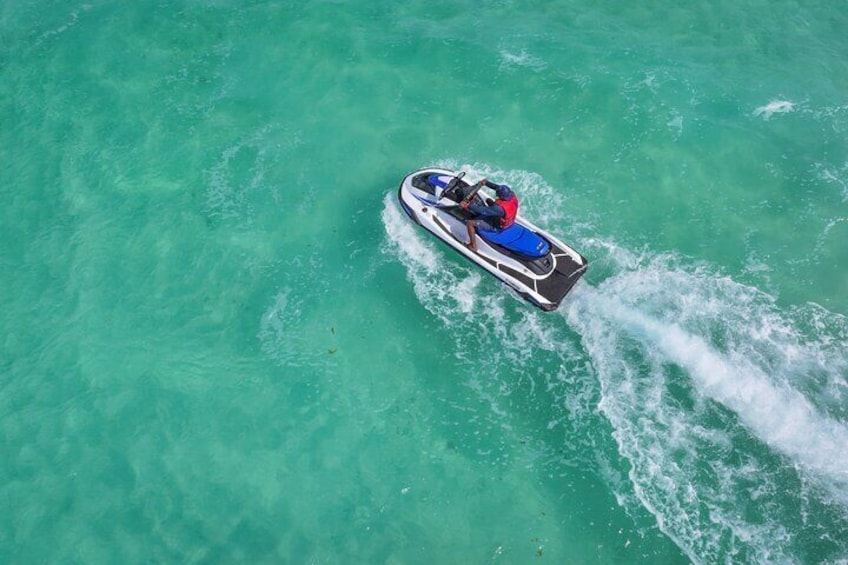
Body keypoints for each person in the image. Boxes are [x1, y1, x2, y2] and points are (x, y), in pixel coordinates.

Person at [460, 178, 519, 251]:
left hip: (497, 226)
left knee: (470, 223)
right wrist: (487, 183)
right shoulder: (511, 195)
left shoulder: (499, 208)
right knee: (488, 200)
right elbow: (497, 187)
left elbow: (484, 211)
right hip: (506, 219)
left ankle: (473, 246)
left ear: (501, 196)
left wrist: (468, 206)